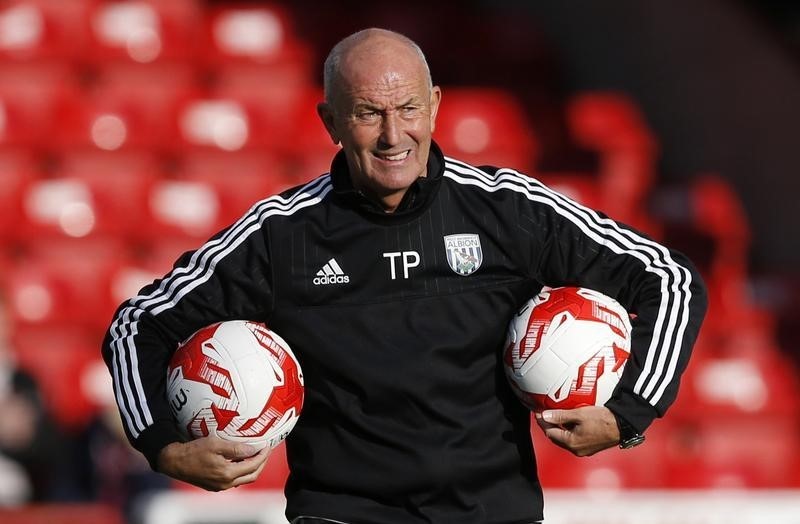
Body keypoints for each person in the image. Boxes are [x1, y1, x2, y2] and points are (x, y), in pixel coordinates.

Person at [101, 28, 707, 524]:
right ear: (330, 121)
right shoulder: (279, 236)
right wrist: (165, 447)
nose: (394, 136)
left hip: (493, 516)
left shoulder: (508, 211)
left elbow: (671, 281)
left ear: (436, 105)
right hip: (342, 516)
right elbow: (137, 326)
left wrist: (627, 415)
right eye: (368, 114)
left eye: (409, 108)